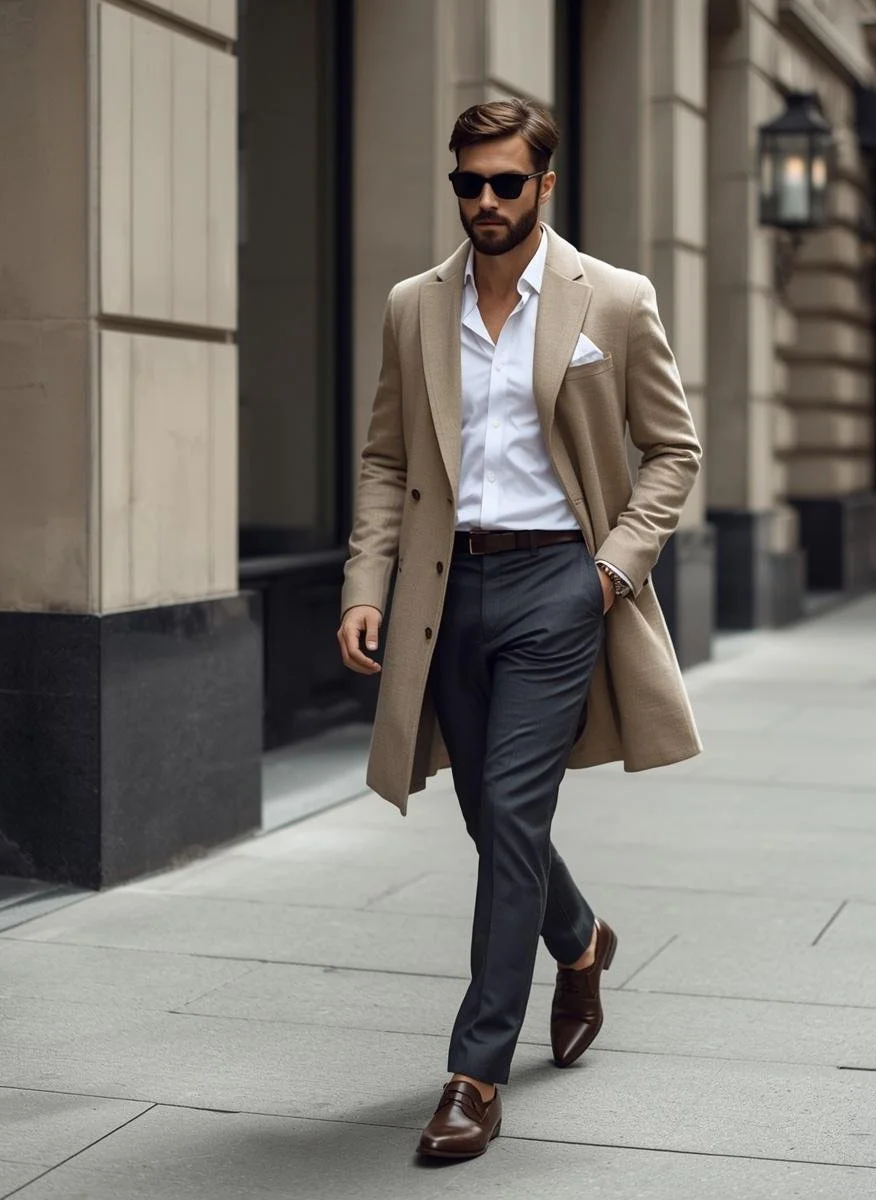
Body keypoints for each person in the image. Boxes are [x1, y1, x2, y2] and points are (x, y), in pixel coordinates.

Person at [337, 98, 702, 1160]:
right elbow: (389, 460)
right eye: (468, 183)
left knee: (507, 806)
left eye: (505, 182)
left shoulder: (615, 301)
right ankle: (580, 938)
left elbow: (671, 451)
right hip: (444, 589)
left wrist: (608, 572)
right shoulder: (416, 306)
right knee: (491, 817)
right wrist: (367, 584)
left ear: (546, 185)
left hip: (557, 582)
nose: (484, 201)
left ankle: (473, 1073)